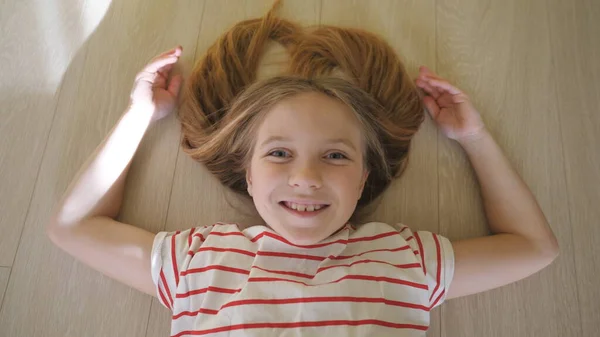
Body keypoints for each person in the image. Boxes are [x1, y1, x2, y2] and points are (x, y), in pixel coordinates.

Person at [46, 21, 558, 337]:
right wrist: (138, 118)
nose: (306, 177)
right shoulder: (200, 261)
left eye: (335, 155)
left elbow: (534, 247)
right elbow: (73, 227)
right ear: (247, 174)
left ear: (364, 179)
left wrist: (474, 136)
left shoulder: (403, 260)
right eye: (279, 153)